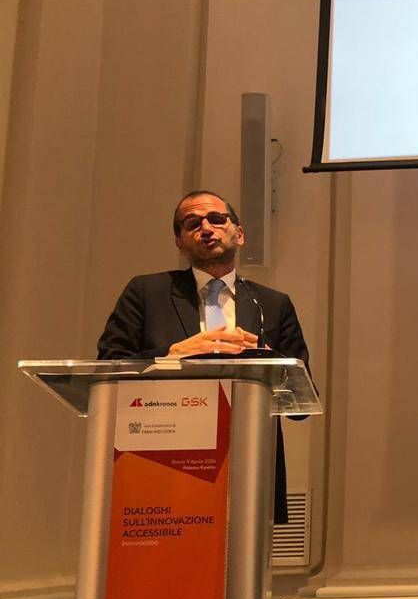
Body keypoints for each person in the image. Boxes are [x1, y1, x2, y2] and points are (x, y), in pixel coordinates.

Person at [97, 190, 309, 524]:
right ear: (179, 242)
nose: (206, 228)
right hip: (161, 457)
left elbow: (303, 403)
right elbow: (109, 363)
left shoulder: (272, 304)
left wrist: (271, 361)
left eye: (216, 219)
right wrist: (171, 355)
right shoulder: (146, 292)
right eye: (192, 223)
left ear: (239, 234)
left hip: (247, 463)